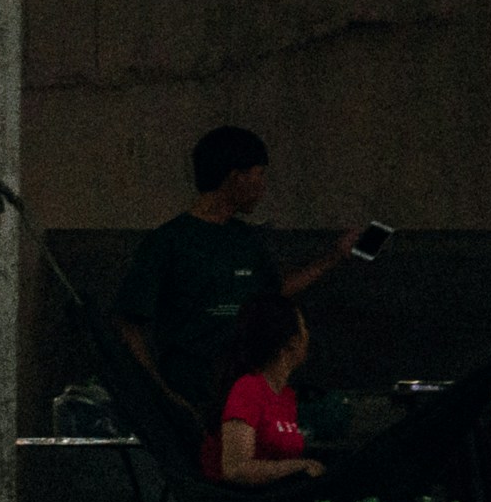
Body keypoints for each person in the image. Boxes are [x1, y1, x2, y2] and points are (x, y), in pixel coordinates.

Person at [113, 126, 366, 427]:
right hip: (192, 395)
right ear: (236, 178)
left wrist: (334, 257)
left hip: (244, 396)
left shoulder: (246, 239)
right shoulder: (168, 242)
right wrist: (162, 394)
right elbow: (129, 323)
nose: (263, 186)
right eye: (258, 175)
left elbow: (273, 291)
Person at [203, 291, 325, 484]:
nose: (307, 334)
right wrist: (299, 467)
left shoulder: (285, 396)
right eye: (303, 326)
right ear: (291, 342)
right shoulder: (249, 389)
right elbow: (235, 469)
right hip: (241, 500)